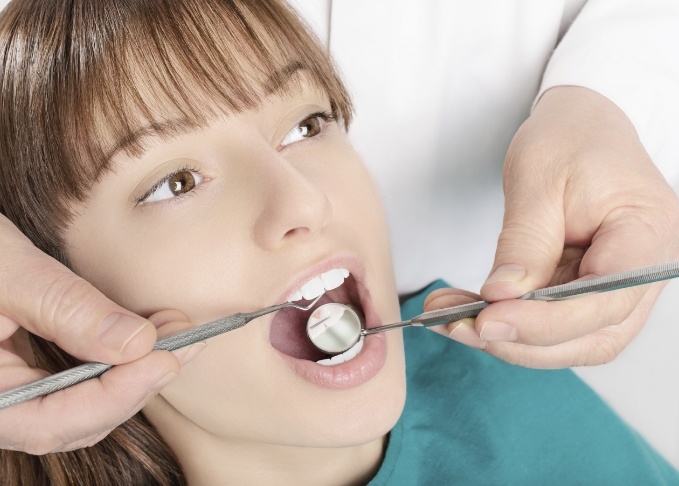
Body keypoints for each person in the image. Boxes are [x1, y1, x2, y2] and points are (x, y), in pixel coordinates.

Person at [1, 1, 678, 484]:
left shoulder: (522, 413)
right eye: (177, 183)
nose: (301, 199)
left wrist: (605, 103)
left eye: (306, 123)